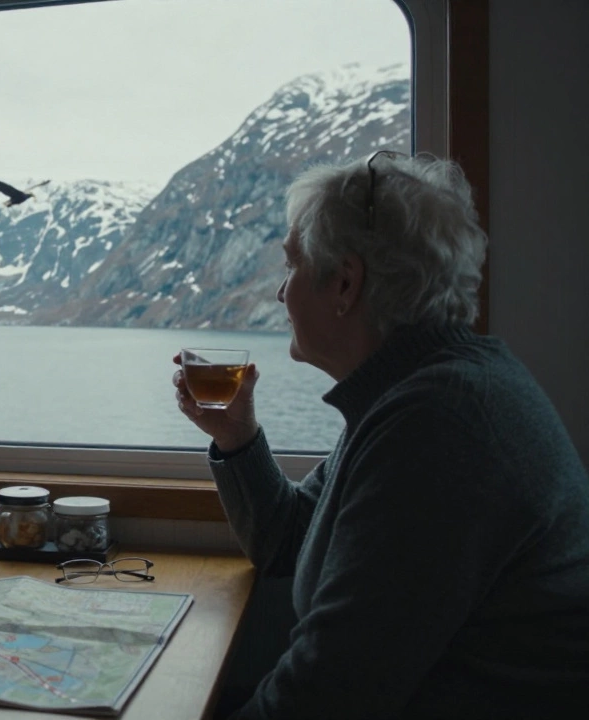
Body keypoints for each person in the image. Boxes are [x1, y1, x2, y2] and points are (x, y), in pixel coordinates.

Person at [173, 151, 589, 718]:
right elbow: (287, 543)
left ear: (345, 282)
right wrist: (236, 437)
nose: (280, 293)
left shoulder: (442, 425)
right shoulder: (415, 392)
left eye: (291, 267)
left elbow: (326, 696)